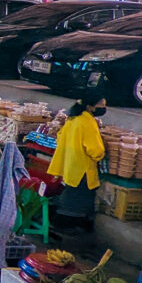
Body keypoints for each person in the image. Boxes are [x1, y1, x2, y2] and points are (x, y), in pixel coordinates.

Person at [47, 93, 107, 230]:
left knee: (69, 196)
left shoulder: (72, 119)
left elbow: (60, 137)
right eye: (101, 105)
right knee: (78, 201)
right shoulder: (88, 123)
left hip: (70, 166)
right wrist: (101, 153)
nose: (103, 108)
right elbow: (96, 150)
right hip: (82, 169)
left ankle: (61, 224)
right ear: (90, 107)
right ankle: (71, 228)